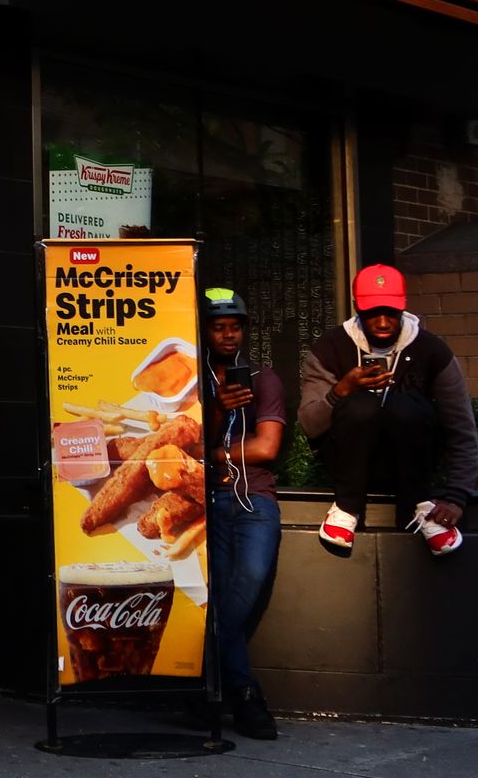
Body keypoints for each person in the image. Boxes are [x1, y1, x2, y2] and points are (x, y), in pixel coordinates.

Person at [299, 265, 478, 557]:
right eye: (373, 313)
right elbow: (309, 425)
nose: (383, 322)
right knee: (360, 405)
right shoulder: (330, 348)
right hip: (347, 464)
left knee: (404, 406)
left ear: (403, 307)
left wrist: (456, 497)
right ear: (358, 307)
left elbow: (462, 429)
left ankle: (418, 506)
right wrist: (341, 390)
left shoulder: (431, 350)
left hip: (413, 465)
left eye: (391, 312)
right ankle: (347, 508)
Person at [199, 287, 285, 740]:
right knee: (219, 597)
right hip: (208, 505)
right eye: (219, 327)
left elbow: (267, 447)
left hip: (255, 503)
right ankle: (246, 697)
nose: (228, 335)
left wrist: (214, 452)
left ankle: (204, 675)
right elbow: (181, 449)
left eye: (235, 327)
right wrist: (216, 410)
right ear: (206, 332)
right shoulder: (195, 383)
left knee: (245, 587)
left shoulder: (263, 378)